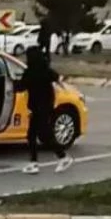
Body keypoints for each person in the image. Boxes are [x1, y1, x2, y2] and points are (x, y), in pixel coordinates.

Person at [20, 45, 73, 174]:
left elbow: (21, 86)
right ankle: (34, 163)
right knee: (33, 134)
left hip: (39, 107)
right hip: (46, 106)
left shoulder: (31, 71)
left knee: (43, 134)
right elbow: (57, 78)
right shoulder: (45, 69)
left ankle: (63, 157)